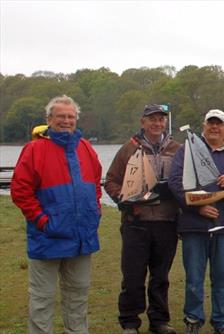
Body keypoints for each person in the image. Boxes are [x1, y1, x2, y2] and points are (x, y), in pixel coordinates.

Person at [11, 95, 103, 334]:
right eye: (60, 116)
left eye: (70, 116)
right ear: (49, 119)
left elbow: (95, 185)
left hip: (82, 238)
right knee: (42, 300)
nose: (66, 121)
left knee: (78, 297)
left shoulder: (86, 148)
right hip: (47, 238)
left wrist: (95, 213)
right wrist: (42, 221)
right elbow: (20, 191)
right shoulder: (34, 150)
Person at [167, 109, 224, 334]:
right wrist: (197, 207)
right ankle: (193, 320)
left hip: (223, 227)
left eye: (219, 124)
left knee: (221, 278)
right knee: (194, 278)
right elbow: (175, 183)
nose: (214, 127)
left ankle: (221, 322)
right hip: (193, 226)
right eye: (210, 123)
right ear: (203, 125)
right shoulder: (188, 149)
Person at [104, 104, 181, 334]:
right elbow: (110, 180)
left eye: (161, 119)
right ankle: (129, 321)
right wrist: (122, 198)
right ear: (143, 122)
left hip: (167, 222)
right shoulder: (129, 148)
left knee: (161, 277)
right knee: (133, 276)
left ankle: (159, 321)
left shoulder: (178, 149)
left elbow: (187, 181)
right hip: (136, 222)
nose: (157, 123)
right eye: (152, 119)